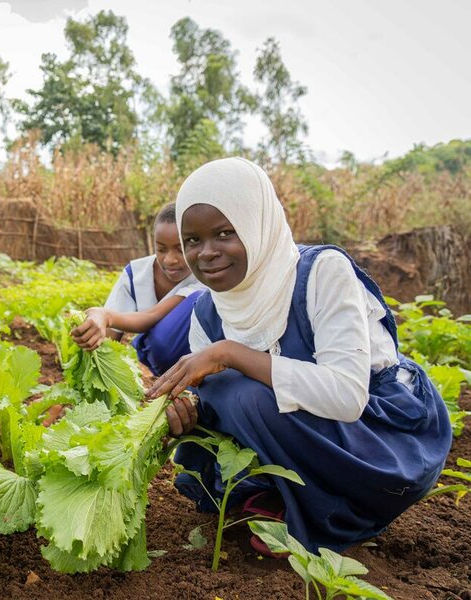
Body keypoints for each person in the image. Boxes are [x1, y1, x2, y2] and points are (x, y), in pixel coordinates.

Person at [146, 157, 451, 555]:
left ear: (258, 225)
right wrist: (185, 409)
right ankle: (279, 493)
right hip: (306, 435)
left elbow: (346, 395)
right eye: (193, 241)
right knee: (217, 395)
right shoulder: (208, 310)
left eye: (224, 233)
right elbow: (214, 401)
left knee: (242, 391)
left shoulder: (321, 272)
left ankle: (331, 511)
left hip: (379, 439)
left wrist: (232, 354)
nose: (206, 253)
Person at [71, 203, 205, 375]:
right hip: (154, 359)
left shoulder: (203, 276)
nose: (170, 260)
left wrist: (105, 315)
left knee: (189, 309)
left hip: (193, 359)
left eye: (180, 250)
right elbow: (110, 336)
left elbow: (151, 316)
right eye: (161, 249)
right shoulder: (135, 273)